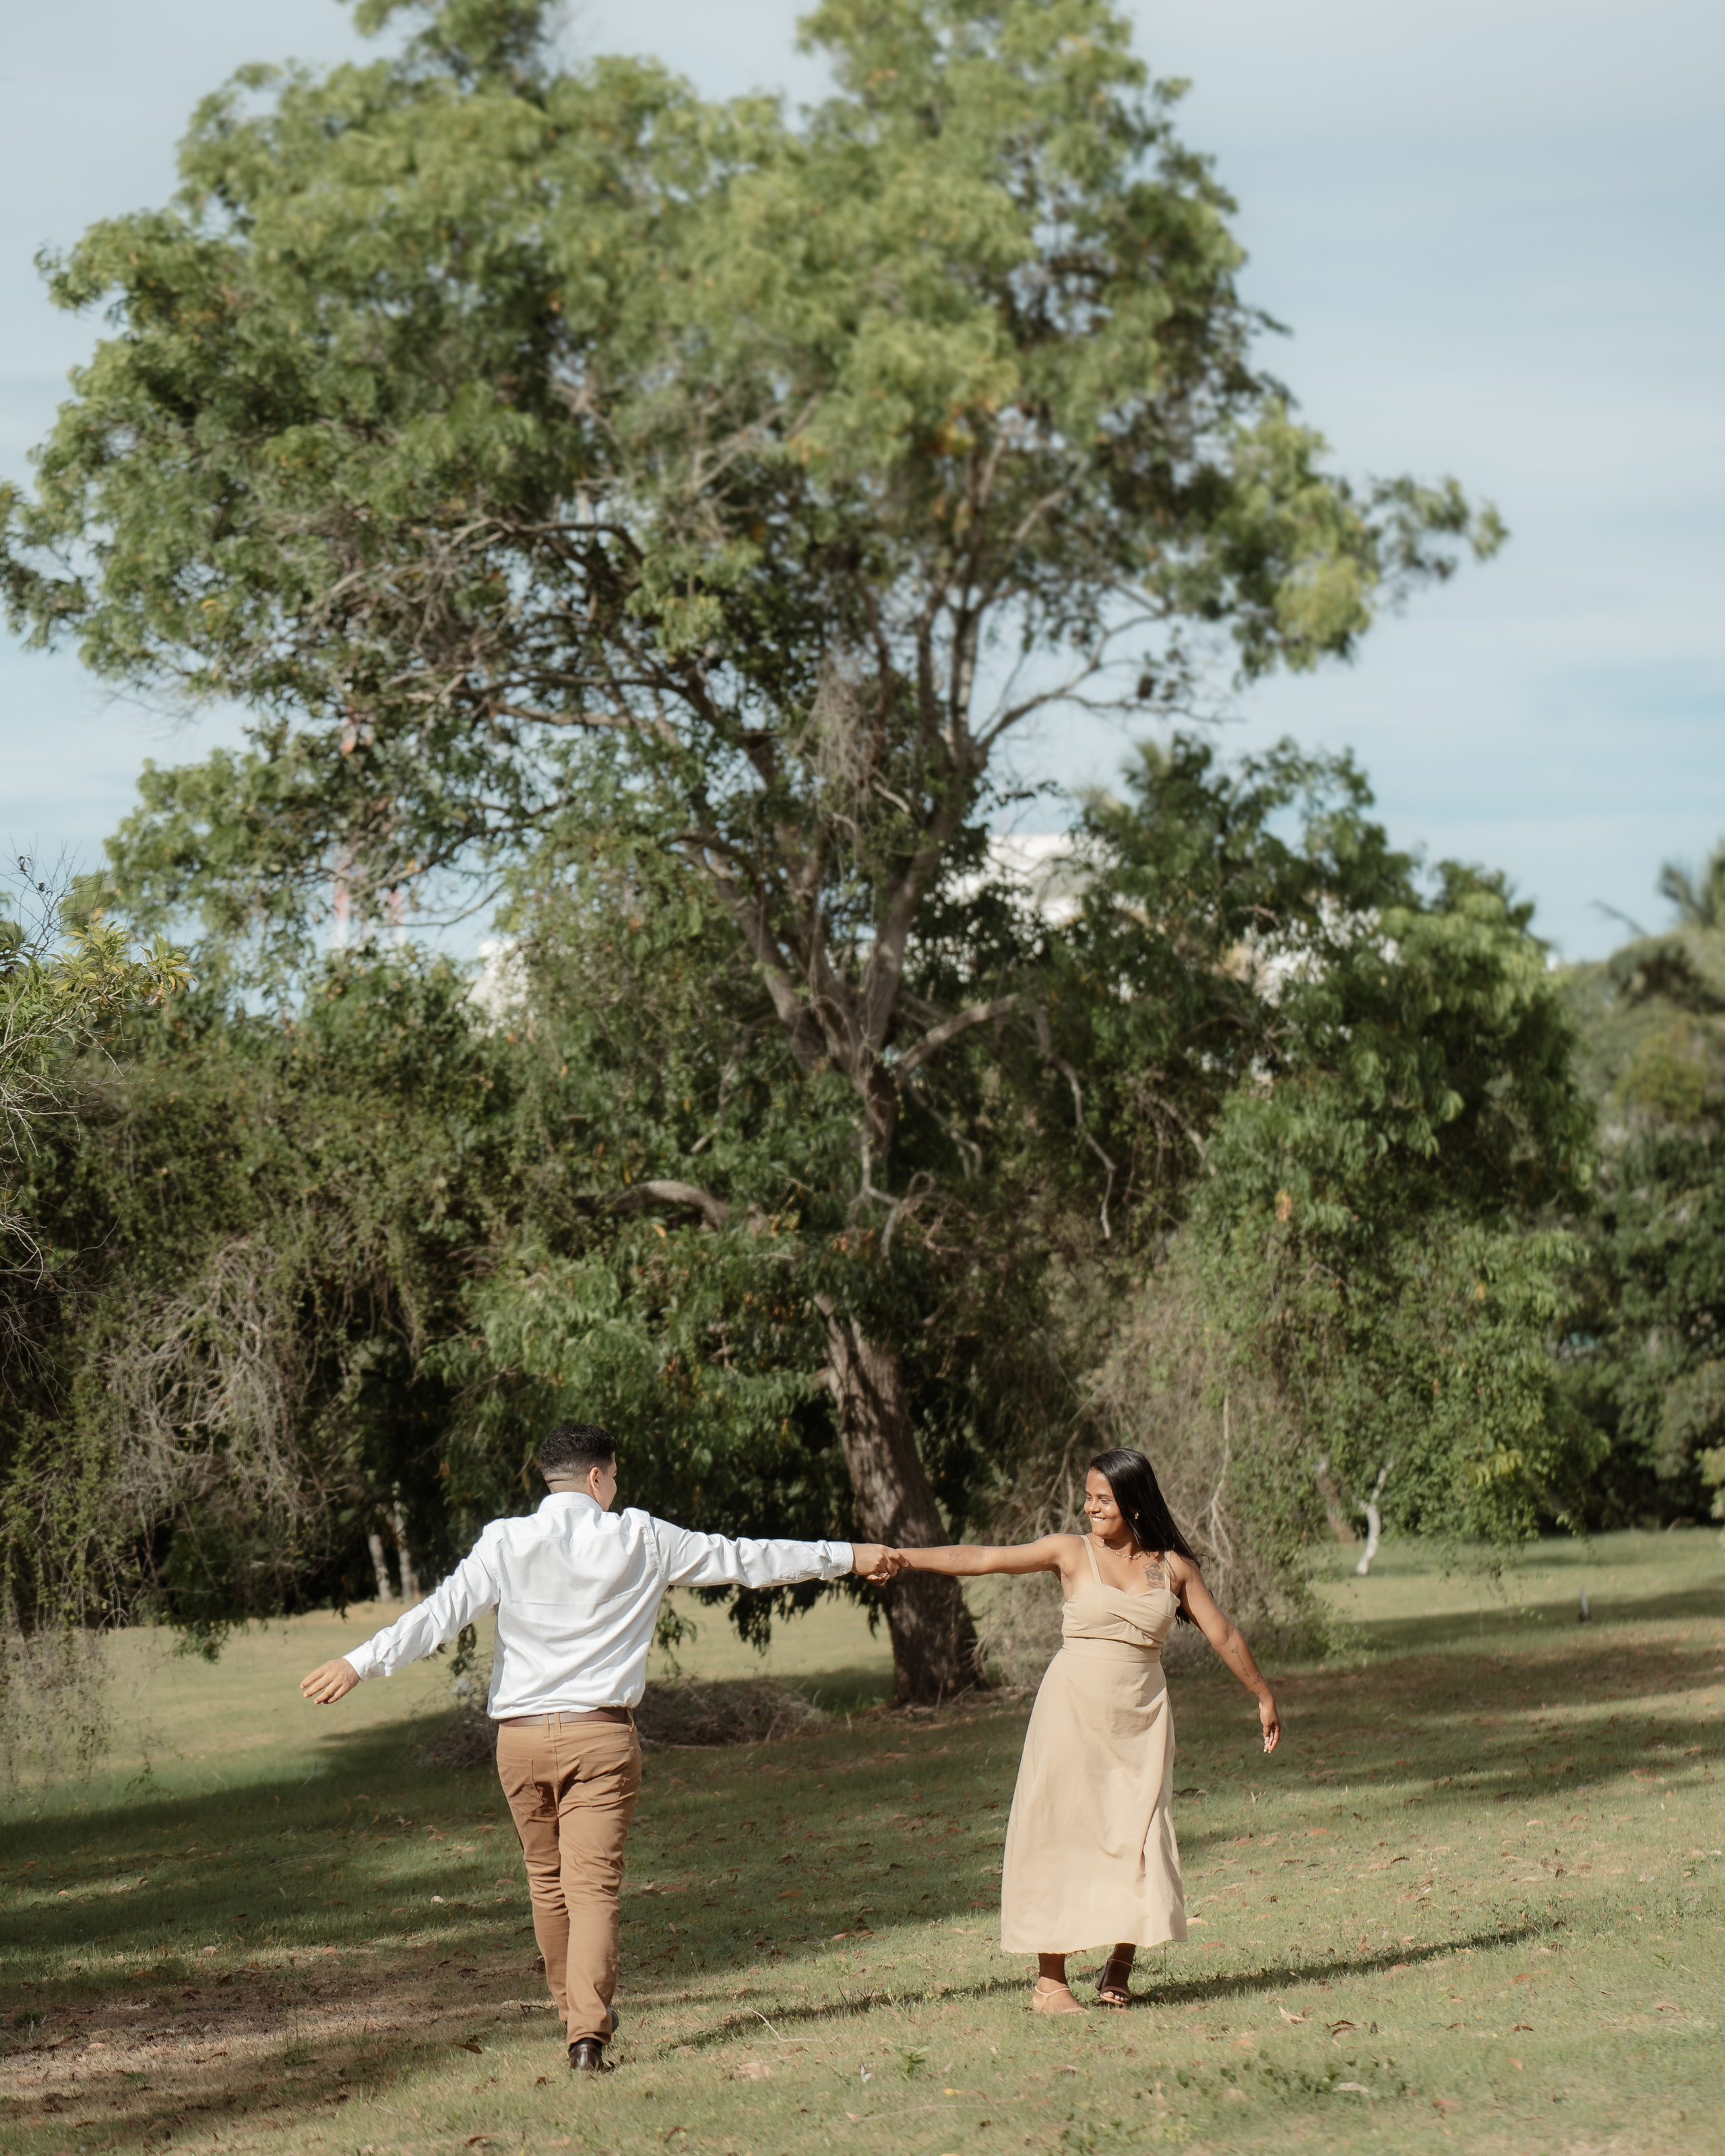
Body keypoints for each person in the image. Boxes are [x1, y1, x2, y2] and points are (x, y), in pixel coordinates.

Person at [300, 1421, 902, 2070]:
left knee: (547, 1883)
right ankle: (586, 2034)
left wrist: (359, 1662)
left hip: (521, 1742)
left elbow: (437, 1617)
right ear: (596, 1478)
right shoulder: (643, 1536)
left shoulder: (505, 1541)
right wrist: (846, 1554)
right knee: (592, 1890)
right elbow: (746, 1559)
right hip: (600, 1736)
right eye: (613, 1476)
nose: (616, 1487)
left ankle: (575, 2017)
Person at [889, 1447, 1280, 2013]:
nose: (1089, 1507)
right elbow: (980, 1559)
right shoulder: (1070, 1553)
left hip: (1140, 1716)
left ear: (1135, 1503)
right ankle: (1050, 1983)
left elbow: (1223, 1634)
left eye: (1103, 1499)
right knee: (1062, 1830)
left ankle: (1120, 1962)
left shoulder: (1171, 1568)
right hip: (1070, 1713)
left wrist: (1263, 1695)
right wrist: (904, 1559)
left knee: (1140, 1833)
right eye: (1089, 1496)